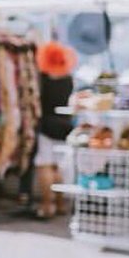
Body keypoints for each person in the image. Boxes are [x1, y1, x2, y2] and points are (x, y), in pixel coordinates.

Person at [34, 40, 77, 219]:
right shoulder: (68, 79)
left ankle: (47, 204)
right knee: (58, 166)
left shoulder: (42, 79)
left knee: (45, 165)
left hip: (46, 125)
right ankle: (59, 203)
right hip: (64, 125)